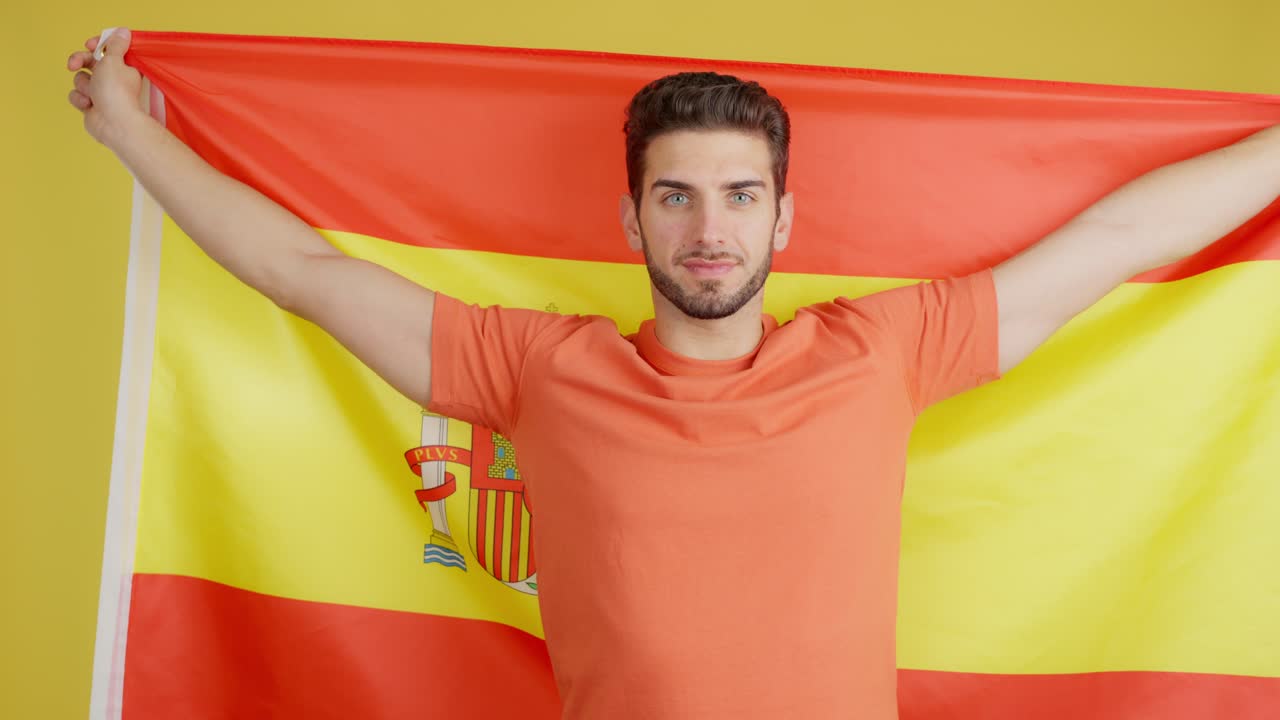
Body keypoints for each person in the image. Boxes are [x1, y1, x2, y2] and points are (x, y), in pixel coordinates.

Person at [68, 27, 1280, 720]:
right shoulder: (534, 370)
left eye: (740, 196)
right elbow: (298, 271)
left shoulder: (881, 354)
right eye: (678, 196)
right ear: (631, 218)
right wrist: (128, 131)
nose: (711, 227)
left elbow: (1116, 244)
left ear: (783, 220)